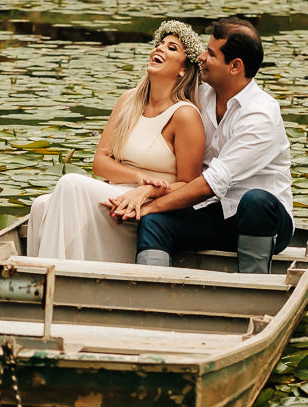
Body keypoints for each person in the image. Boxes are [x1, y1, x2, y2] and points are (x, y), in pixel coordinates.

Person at [110, 17, 293, 274]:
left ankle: (254, 287)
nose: (202, 57)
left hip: (263, 223)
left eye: (211, 53)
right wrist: (150, 204)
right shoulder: (201, 93)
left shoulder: (261, 115)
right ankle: (149, 288)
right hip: (214, 214)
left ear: (235, 66)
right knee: (154, 222)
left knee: (256, 201)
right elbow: (163, 83)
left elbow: (212, 183)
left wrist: (151, 202)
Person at [22, 20, 206, 262]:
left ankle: (60, 279)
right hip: (117, 192)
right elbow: (99, 163)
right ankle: (46, 281)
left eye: (172, 48)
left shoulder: (185, 115)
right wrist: (137, 177)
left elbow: (188, 184)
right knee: (41, 205)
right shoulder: (128, 101)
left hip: (143, 208)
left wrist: (146, 189)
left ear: (184, 69)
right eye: (159, 44)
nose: (159, 49)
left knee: (70, 184)